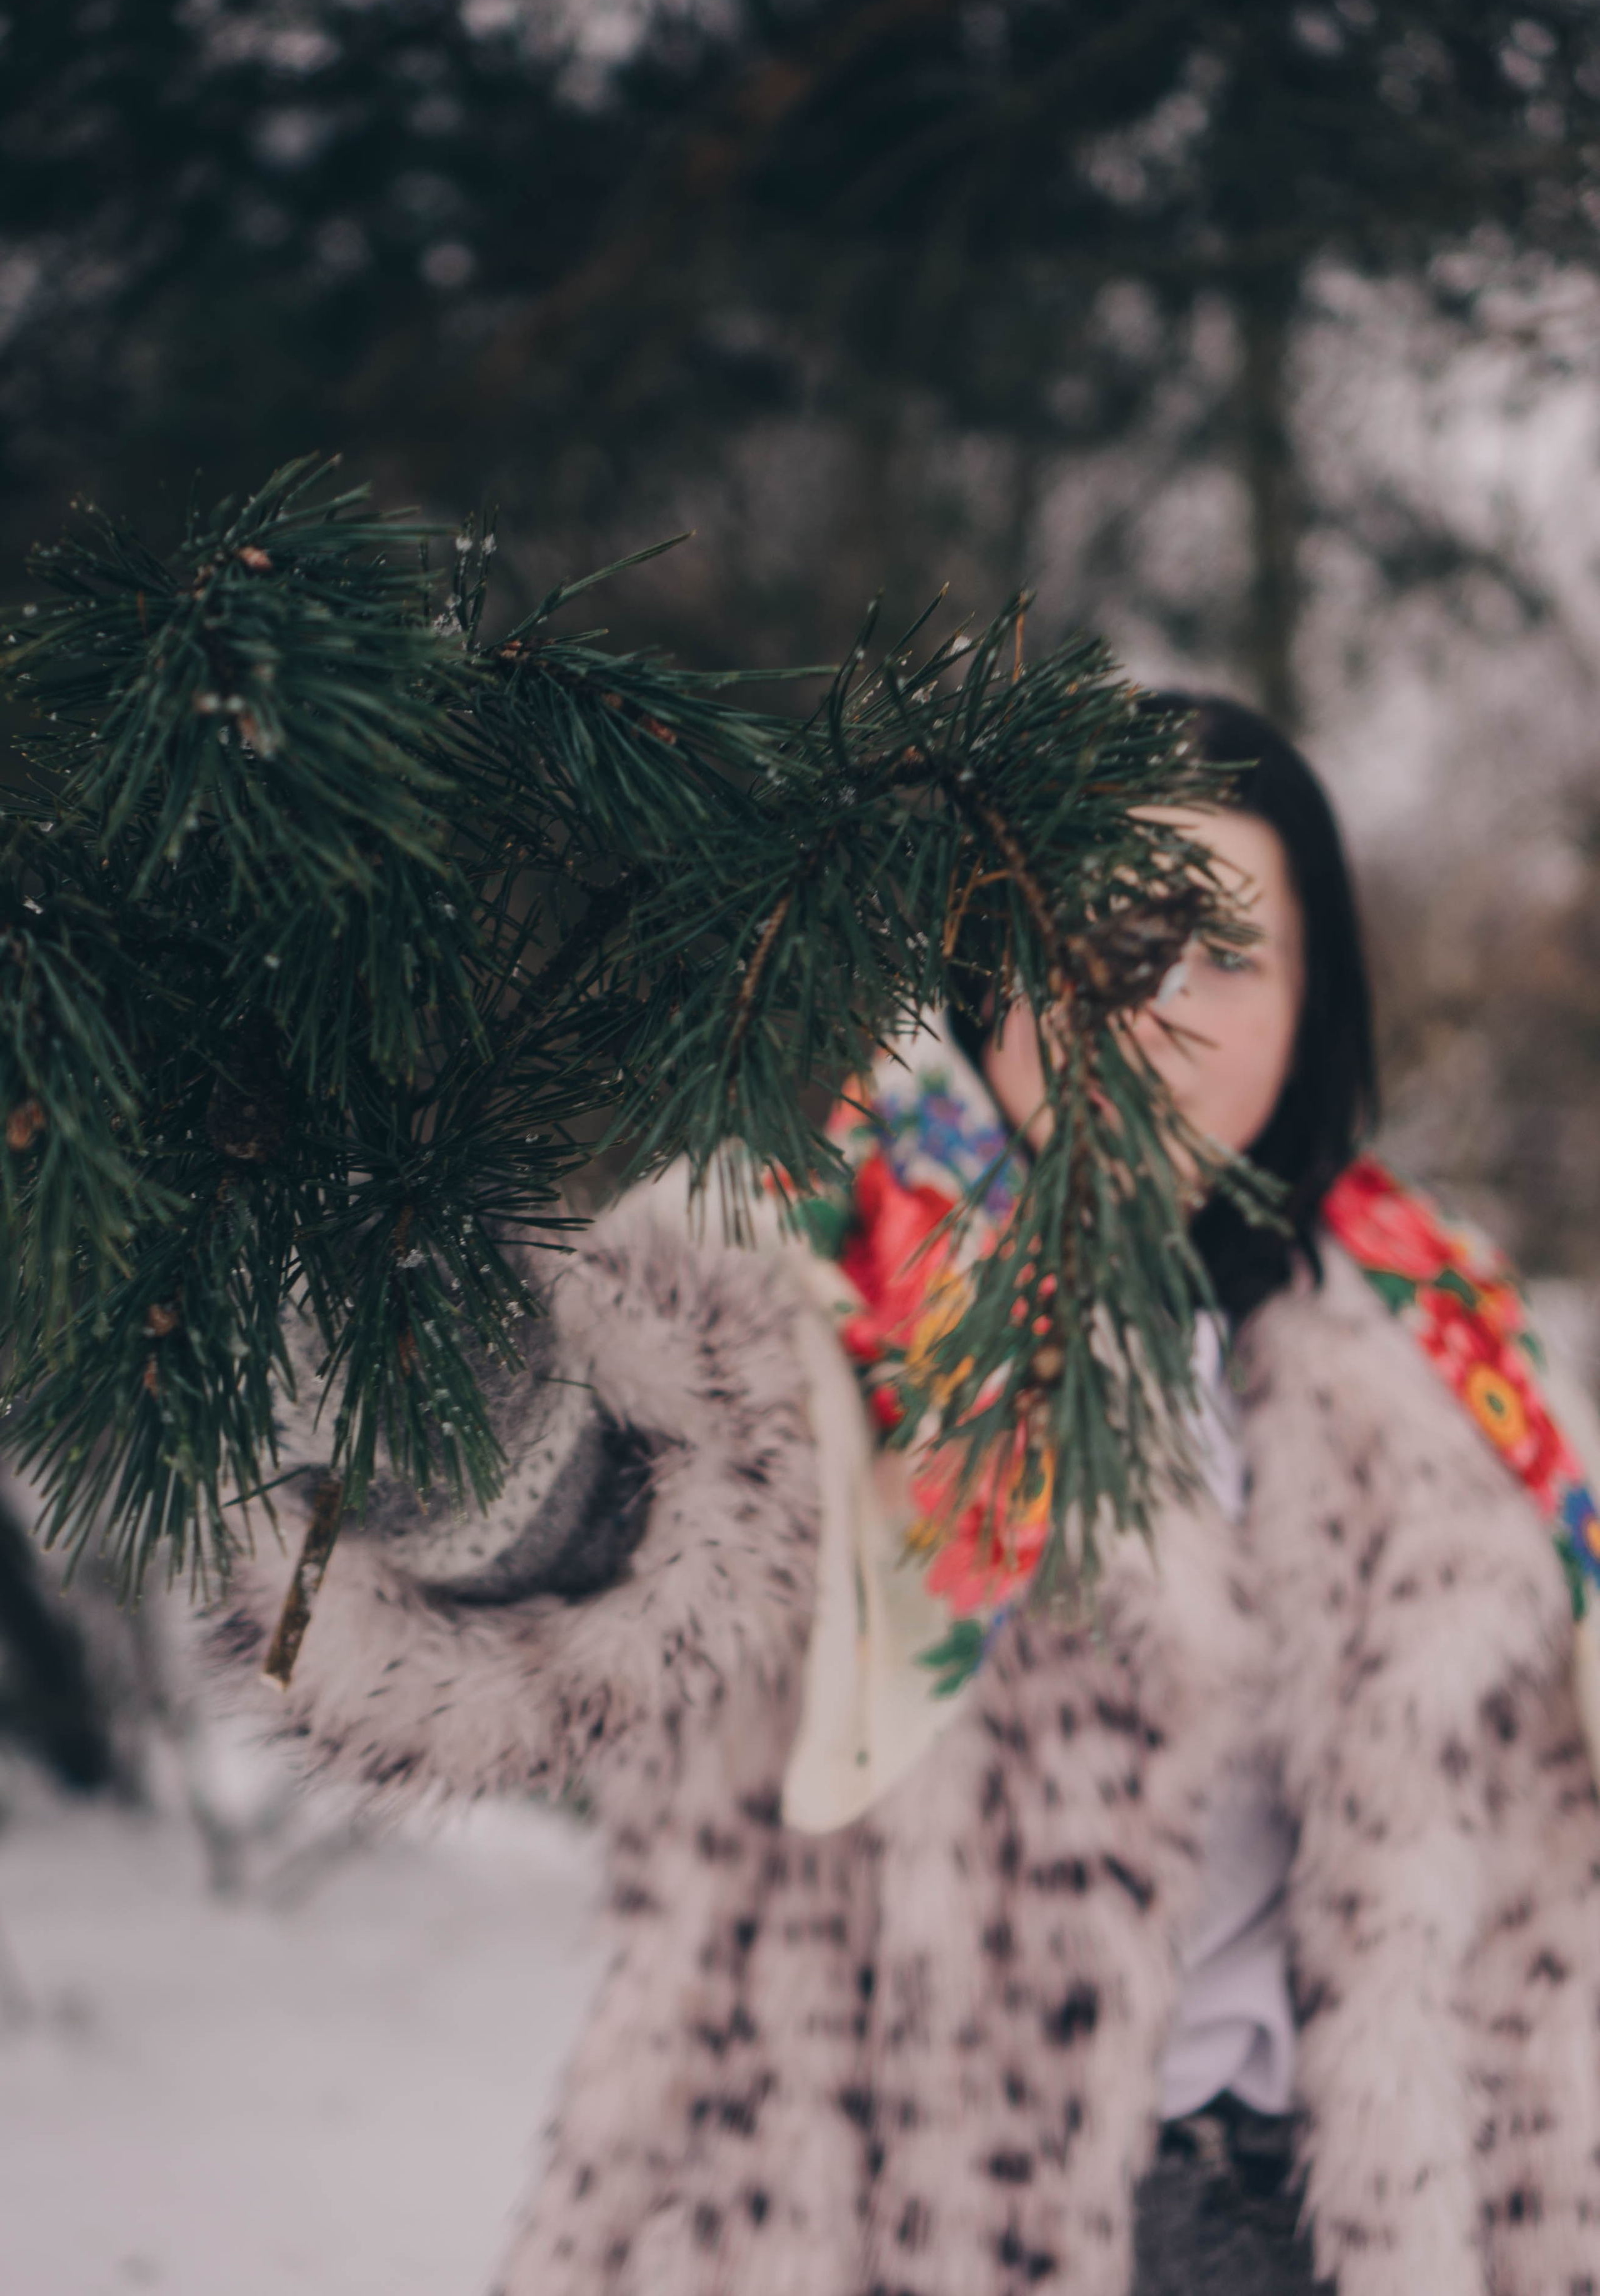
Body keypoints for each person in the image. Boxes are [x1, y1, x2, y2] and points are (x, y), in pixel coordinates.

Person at [215, 696, 1600, 2296]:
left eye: (1224, 952)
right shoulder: (808, 1271)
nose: (1153, 1007)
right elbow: (555, 1558)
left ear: (1318, 1005)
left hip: (1372, 2236)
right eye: (1100, 931)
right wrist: (420, 1370)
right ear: (981, 963)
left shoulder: (1446, 1342)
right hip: (879, 2225)